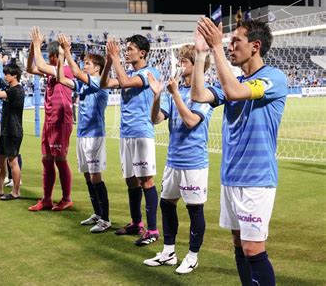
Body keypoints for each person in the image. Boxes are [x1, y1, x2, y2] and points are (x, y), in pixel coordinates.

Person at [192, 18, 287, 285]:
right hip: (230, 177)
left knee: (252, 248)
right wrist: (201, 54)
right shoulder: (234, 80)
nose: (230, 46)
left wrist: (216, 49)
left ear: (255, 46)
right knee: (238, 243)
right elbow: (198, 95)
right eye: (229, 41)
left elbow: (234, 92)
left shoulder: (273, 78)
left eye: (235, 41)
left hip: (256, 178)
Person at [143, 45, 213, 274]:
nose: (180, 63)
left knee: (194, 209)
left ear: (197, 65)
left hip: (194, 161)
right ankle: (169, 252)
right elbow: (156, 119)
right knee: (166, 204)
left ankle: (192, 256)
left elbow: (192, 121)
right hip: (173, 160)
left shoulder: (204, 93)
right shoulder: (175, 90)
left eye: (185, 60)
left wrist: (173, 94)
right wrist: (157, 96)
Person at [100, 35, 160, 246]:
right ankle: (137, 223)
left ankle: (152, 230)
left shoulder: (149, 73)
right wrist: (108, 61)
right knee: (131, 181)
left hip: (142, 133)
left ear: (142, 53)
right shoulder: (131, 73)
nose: (127, 52)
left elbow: (124, 82)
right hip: (126, 133)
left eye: (130, 49)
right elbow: (104, 83)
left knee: (146, 181)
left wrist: (115, 58)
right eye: (125, 49)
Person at [57, 34, 111, 233]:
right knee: (88, 176)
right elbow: (61, 78)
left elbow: (78, 74)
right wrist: (62, 56)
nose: (84, 65)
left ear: (97, 68)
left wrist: (68, 51)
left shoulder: (100, 82)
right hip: (82, 134)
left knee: (96, 176)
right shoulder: (84, 84)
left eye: (87, 63)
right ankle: (97, 213)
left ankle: (105, 218)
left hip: (95, 135)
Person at [26, 27, 75, 211]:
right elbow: (30, 68)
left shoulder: (66, 70)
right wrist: (33, 47)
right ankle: (46, 199)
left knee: (60, 159)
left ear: (53, 56)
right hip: (49, 120)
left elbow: (39, 65)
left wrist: (38, 45)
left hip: (61, 120)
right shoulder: (51, 70)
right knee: (47, 159)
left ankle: (66, 198)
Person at [0, 63, 25, 200]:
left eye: (7, 74)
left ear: (14, 75)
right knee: (0, 160)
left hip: (13, 130)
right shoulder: (10, 88)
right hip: (6, 129)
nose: (5, 76)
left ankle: (16, 191)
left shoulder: (17, 90)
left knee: (12, 161)